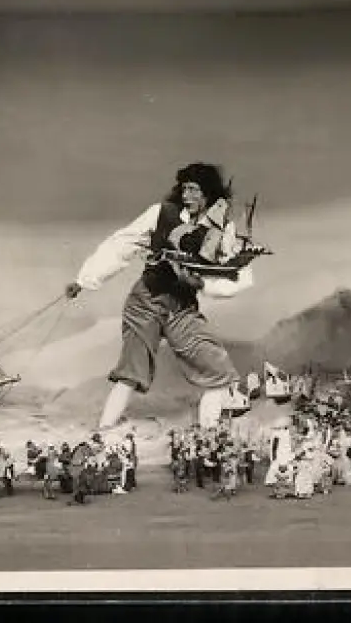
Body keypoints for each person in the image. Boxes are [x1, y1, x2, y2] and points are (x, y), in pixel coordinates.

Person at [64, 163, 256, 433]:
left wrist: (202, 284)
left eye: (194, 190)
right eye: (184, 189)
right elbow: (122, 245)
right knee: (131, 373)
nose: (187, 196)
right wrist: (84, 280)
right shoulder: (162, 214)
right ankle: (105, 431)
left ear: (209, 194)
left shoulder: (223, 230)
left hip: (182, 308)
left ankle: (209, 435)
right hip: (146, 302)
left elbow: (240, 276)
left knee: (218, 371)